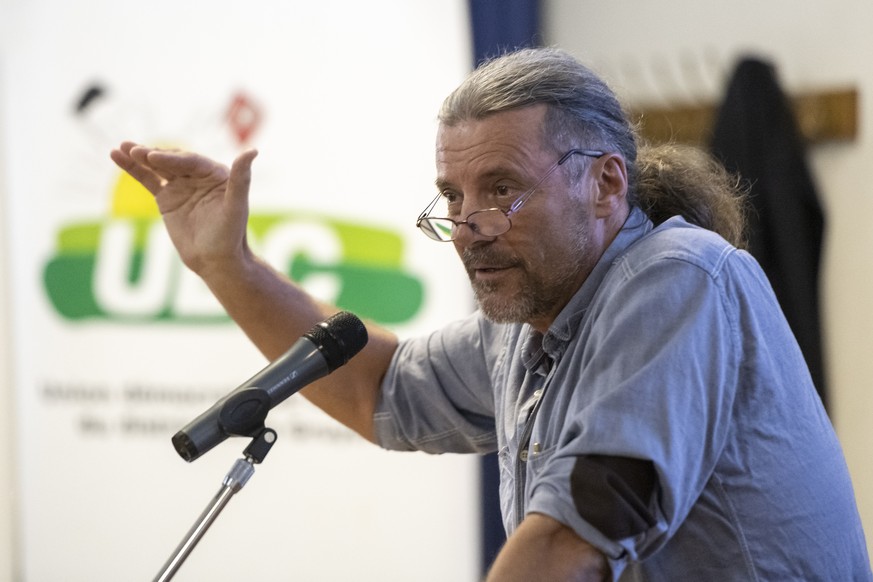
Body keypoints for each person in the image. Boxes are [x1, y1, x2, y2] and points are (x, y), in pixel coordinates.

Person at [111, 47, 871, 581]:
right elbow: (379, 391)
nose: (468, 225)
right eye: (452, 196)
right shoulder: (526, 319)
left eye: (502, 188)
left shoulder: (677, 280)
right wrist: (226, 264)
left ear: (606, 184)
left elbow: (575, 537)